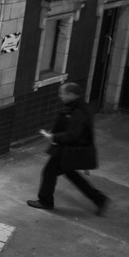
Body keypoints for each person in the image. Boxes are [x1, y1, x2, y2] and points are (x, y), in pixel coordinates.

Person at [28, 82, 109, 215]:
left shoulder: (77, 111)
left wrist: (53, 137)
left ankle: (45, 201)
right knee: (71, 175)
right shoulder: (79, 107)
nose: (60, 96)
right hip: (70, 150)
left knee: (49, 172)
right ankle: (99, 199)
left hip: (67, 151)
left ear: (71, 94)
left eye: (63, 93)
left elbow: (73, 134)